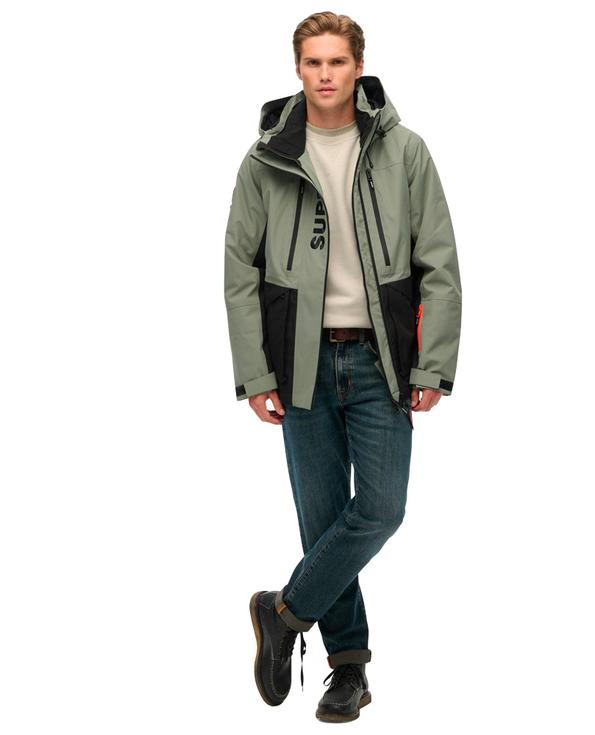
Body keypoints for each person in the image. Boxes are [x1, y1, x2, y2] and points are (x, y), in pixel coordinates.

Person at [224, 11, 462, 723]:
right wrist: (256, 375)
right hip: (298, 361)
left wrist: (432, 364)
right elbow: (240, 273)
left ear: (358, 66)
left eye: (336, 61)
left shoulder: (403, 151)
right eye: (312, 62)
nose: (325, 74)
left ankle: (283, 611)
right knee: (323, 519)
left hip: (380, 358)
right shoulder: (267, 159)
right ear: (297, 69)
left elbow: (439, 263)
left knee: (381, 510)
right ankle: (348, 669)